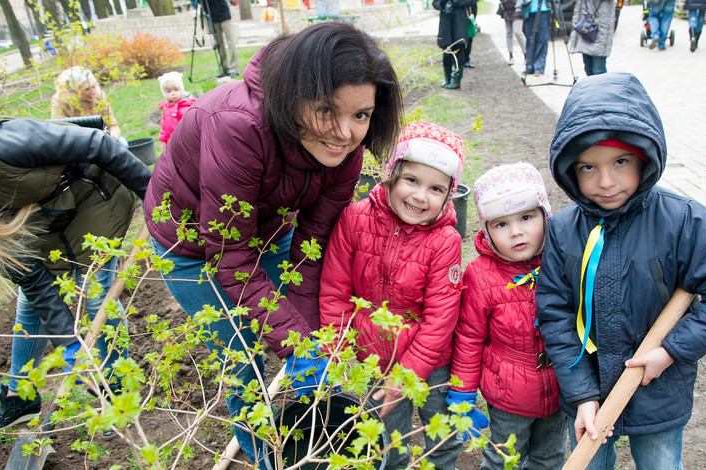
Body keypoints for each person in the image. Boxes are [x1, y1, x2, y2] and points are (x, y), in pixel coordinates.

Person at [143, 22, 403, 469]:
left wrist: (307, 344)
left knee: (302, 330)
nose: (345, 132)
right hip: (189, 246)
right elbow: (230, 256)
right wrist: (298, 346)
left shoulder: (347, 147)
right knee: (240, 354)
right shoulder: (239, 125)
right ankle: (265, 454)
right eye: (327, 110)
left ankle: (316, 427)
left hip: (266, 226)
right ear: (294, 95)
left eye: (360, 115)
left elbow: (313, 242)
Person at [537, 72, 706, 469]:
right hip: (586, 396)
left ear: (644, 156)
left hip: (658, 394)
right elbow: (554, 313)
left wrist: (671, 351)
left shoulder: (681, 221)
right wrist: (582, 395)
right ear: (570, 169)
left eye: (620, 162)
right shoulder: (563, 230)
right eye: (588, 168)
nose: (606, 182)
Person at [0, 117, 151, 432]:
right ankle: (21, 394)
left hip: (92, 197)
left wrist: (155, 195)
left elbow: (98, 143)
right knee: (29, 304)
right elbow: (31, 276)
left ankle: (119, 395)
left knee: (95, 295)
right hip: (46, 222)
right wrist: (70, 345)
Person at [320, 121, 467, 470]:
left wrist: (405, 377)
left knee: (442, 429)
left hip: (432, 361)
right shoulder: (354, 220)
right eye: (411, 180)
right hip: (374, 355)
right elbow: (335, 291)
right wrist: (335, 349)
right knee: (388, 438)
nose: (419, 196)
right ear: (391, 175)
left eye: (435, 188)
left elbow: (440, 319)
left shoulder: (446, 241)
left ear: (449, 194)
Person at [448, 162, 569, 469]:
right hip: (508, 395)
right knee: (504, 459)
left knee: (549, 457)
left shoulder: (563, 261)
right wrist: (462, 393)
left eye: (526, 217)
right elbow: (470, 338)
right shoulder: (480, 275)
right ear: (486, 231)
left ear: (545, 214)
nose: (516, 232)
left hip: (560, 387)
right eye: (501, 224)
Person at [50, 66, 123, 142]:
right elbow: (60, 131)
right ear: (75, 91)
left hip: (103, 140)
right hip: (79, 143)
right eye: (87, 89)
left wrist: (113, 138)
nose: (92, 92)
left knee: (122, 143)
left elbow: (112, 125)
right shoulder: (61, 103)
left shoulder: (99, 97)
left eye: (94, 87)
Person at [434, 0, 476, 89]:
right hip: (446, 21)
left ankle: (457, 80)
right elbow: (435, 2)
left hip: (459, 21)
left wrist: (454, 3)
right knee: (446, 50)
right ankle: (448, 79)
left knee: (459, 49)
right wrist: (443, 4)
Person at [569, 0, 616, 76]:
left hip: (600, 28)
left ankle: (602, 87)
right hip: (586, 27)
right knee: (588, 70)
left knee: (598, 71)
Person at [194, 0, 239, 76]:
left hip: (224, 15)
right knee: (219, 44)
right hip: (212, 17)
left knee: (231, 42)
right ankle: (224, 68)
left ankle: (234, 68)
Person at [156, 71, 196, 144]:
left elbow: (191, 125)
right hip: (173, 143)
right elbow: (164, 126)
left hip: (187, 142)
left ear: (181, 89)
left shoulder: (186, 107)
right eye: (169, 91)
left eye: (176, 90)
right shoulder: (166, 108)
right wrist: (163, 140)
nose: (173, 93)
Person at [523, 0, 551, 76]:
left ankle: (539, 67)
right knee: (530, 39)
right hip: (529, 9)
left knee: (542, 39)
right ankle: (529, 66)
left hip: (544, 10)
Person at [499, 0, 527, 65]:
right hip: (506, 8)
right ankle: (510, 55)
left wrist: (519, 5)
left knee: (518, 32)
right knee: (508, 33)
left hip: (518, 9)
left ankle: (526, 54)